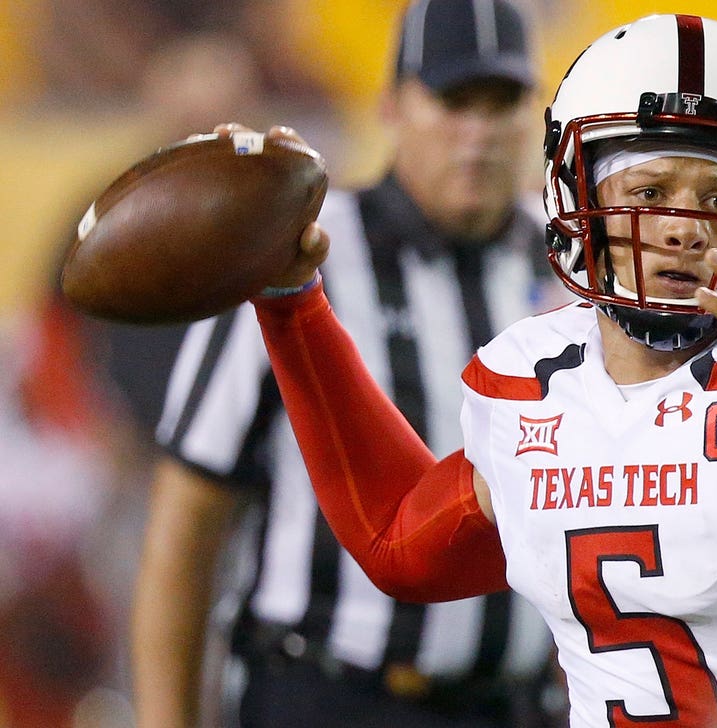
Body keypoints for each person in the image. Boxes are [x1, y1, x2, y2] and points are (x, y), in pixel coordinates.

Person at [243, 13, 717, 727]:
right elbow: (397, 544)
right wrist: (291, 303)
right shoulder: (536, 379)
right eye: (650, 190)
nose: (683, 226)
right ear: (575, 194)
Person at [130, 2, 559, 727]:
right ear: (392, 107)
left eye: (504, 102)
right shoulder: (297, 254)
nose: (479, 132)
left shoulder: (569, 266)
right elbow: (188, 518)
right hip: (329, 696)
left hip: (513, 707)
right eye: (454, 101)